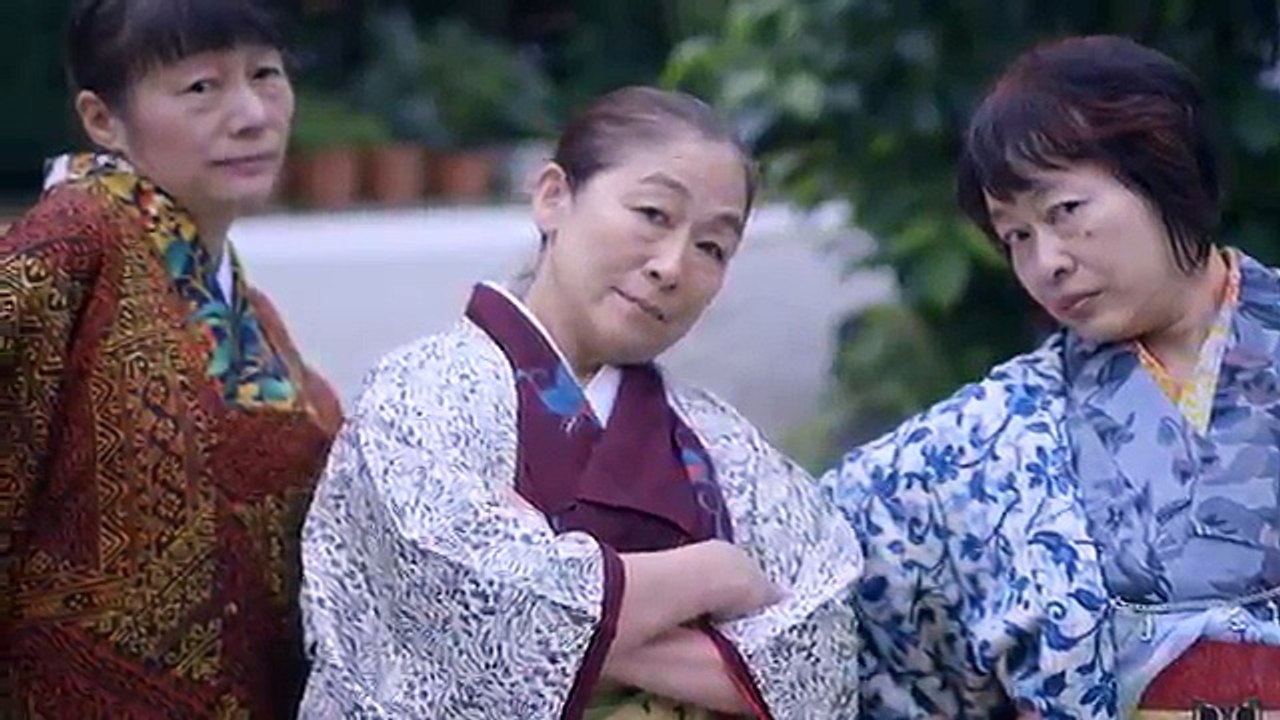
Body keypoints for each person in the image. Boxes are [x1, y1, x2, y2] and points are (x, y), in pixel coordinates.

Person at [299, 86, 863, 719]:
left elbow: (822, 663)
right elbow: (466, 617)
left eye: (712, 247)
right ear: (553, 197)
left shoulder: (720, 445)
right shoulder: (418, 394)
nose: (671, 266)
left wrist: (556, 605)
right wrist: (718, 575)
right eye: (653, 213)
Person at [822, 34, 1280, 719]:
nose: (1047, 263)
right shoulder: (988, 437)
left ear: (1167, 169)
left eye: (1064, 211)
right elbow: (819, 571)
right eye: (1016, 237)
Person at [0, 0, 341, 716]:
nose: (252, 113)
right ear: (102, 119)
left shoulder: (245, 305)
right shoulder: (74, 239)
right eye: (201, 88)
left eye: (266, 74)